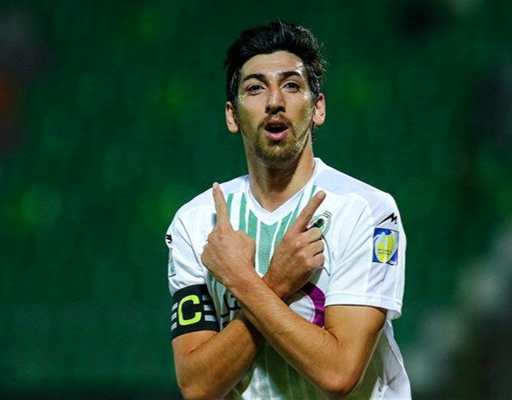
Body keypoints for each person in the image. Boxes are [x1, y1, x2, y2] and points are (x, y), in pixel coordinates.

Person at [166, 20, 411, 400]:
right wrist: (277, 284)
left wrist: (243, 280)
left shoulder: (366, 212)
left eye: (292, 85)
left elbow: (339, 373)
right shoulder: (196, 223)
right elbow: (197, 386)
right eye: (255, 88)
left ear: (318, 108)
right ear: (232, 116)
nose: (274, 101)